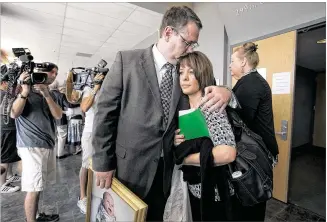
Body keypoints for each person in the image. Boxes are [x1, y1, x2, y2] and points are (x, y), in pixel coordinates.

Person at [91, 6, 237, 222]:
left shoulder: (183, 69)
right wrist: (102, 163)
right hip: (129, 168)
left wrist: (228, 92)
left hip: (166, 171)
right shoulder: (127, 61)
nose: (189, 49)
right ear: (168, 33)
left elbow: (208, 88)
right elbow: (104, 114)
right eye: (187, 42)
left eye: (193, 44)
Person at [172, 51, 237, 221]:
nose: (184, 78)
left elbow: (227, 153)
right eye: (181, 72)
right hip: (194, 187)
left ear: (202, 74)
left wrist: (184, 159)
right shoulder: (184, 106)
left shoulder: (210, 105)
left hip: (215, 192)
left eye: (191, 72)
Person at [229, 42, 279, 221]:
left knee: (252, 204)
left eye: (232, 61)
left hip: (257, 154)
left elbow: (241, 122)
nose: (230, 65)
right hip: (258, 152)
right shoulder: (252, 81)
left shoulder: (250, 84)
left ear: (243, 62)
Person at [10, 63, 62, 222]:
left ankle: (37, 216)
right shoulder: (22, 89)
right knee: (33, 188)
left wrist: (46, 94)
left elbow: (58, 115)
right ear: (38, 73)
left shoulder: (49, 93)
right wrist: (25, 91)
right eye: (50, 72)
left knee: (38, 186)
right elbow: (14, 114)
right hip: (31, 145)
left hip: (46, 144)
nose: (53, 75)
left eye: (56, 73)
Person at [66, 71, 105, 214]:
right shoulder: (88, 89)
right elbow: (84, 108)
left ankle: (96, 192)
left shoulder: (108, 90)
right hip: (89, 132)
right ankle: (82, 196)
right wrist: (95, 88)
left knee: (100, 164)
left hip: (103, 132)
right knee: (86, 164)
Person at [49, 80, 80, 158]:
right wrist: (79, 103)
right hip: (60, 119)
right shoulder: (61, 95)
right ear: (57, 86)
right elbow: (69, 105)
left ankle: (54, 154)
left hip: (50, 120)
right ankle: (60, 154)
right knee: (62, 137)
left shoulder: (47, 95)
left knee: (54, 137)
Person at [0, 79, 21, 193]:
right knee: (4, 155)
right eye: (9, 82)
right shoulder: (3, 94)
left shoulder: (5, 94)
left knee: (10, 154)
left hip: (9, 127)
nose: (11, 85)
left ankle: (10, 175)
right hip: (5, 128)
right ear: (3, 82)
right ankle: (2, 184)